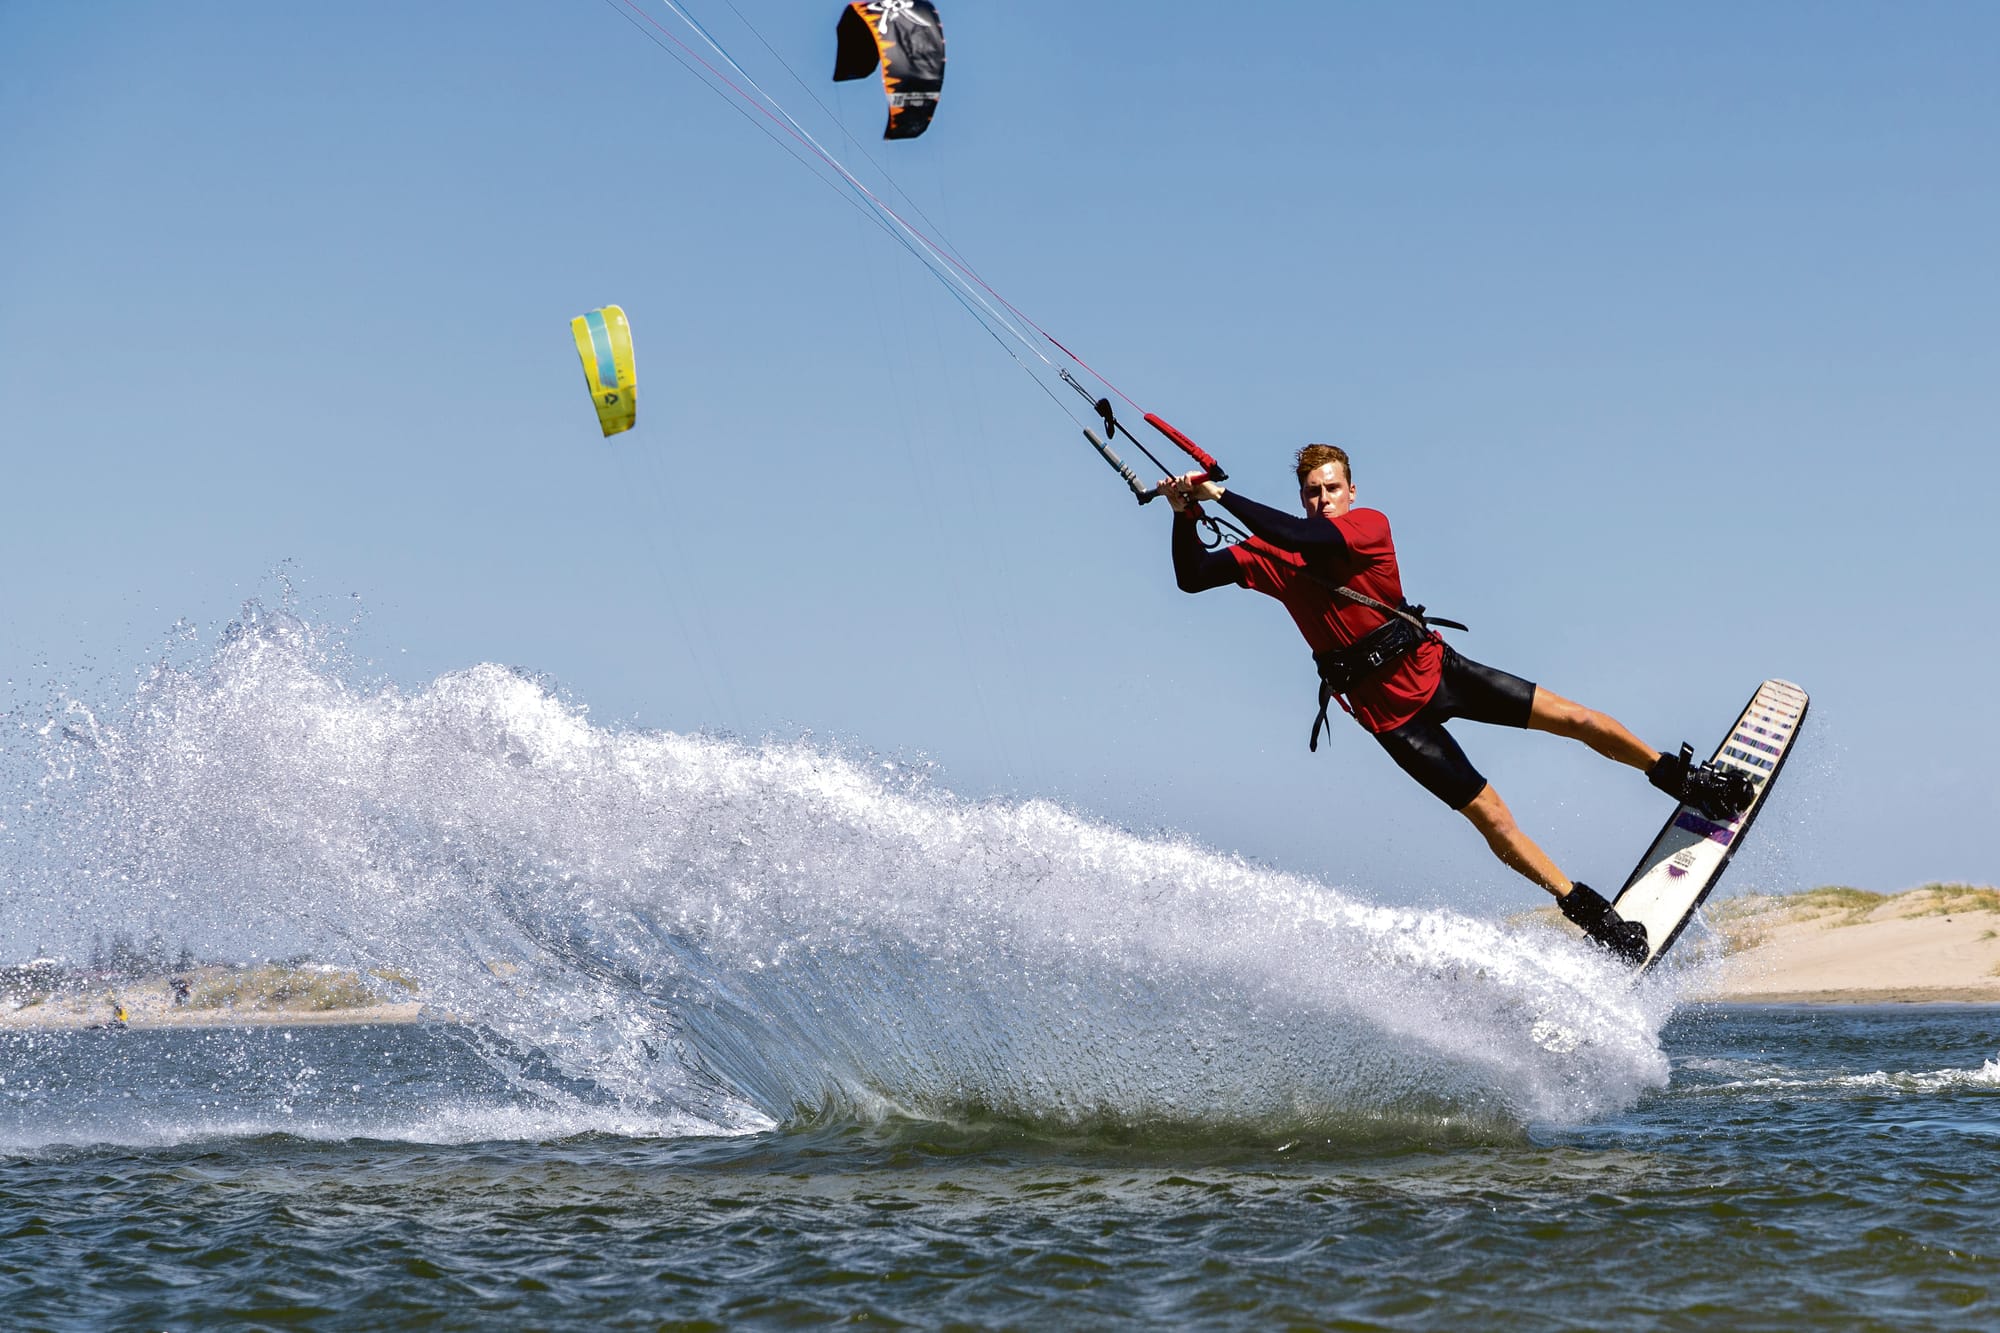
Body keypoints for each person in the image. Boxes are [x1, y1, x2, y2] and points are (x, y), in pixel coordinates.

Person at [1158, 444, 1754, 964]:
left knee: (1575, 718)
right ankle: (1589, 914)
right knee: (1492, 817)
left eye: (1331, 489)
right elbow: (1192, 576)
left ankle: (1680, 778)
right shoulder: (1269, 555)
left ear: (1350, 491)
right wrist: (1185, 516)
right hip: (1393, 720)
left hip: (1439, 671)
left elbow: (1302, 536)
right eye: (1312, 493)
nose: (1322, 500)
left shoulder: (1367, 525)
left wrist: (1220, 493)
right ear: (1301, 496)